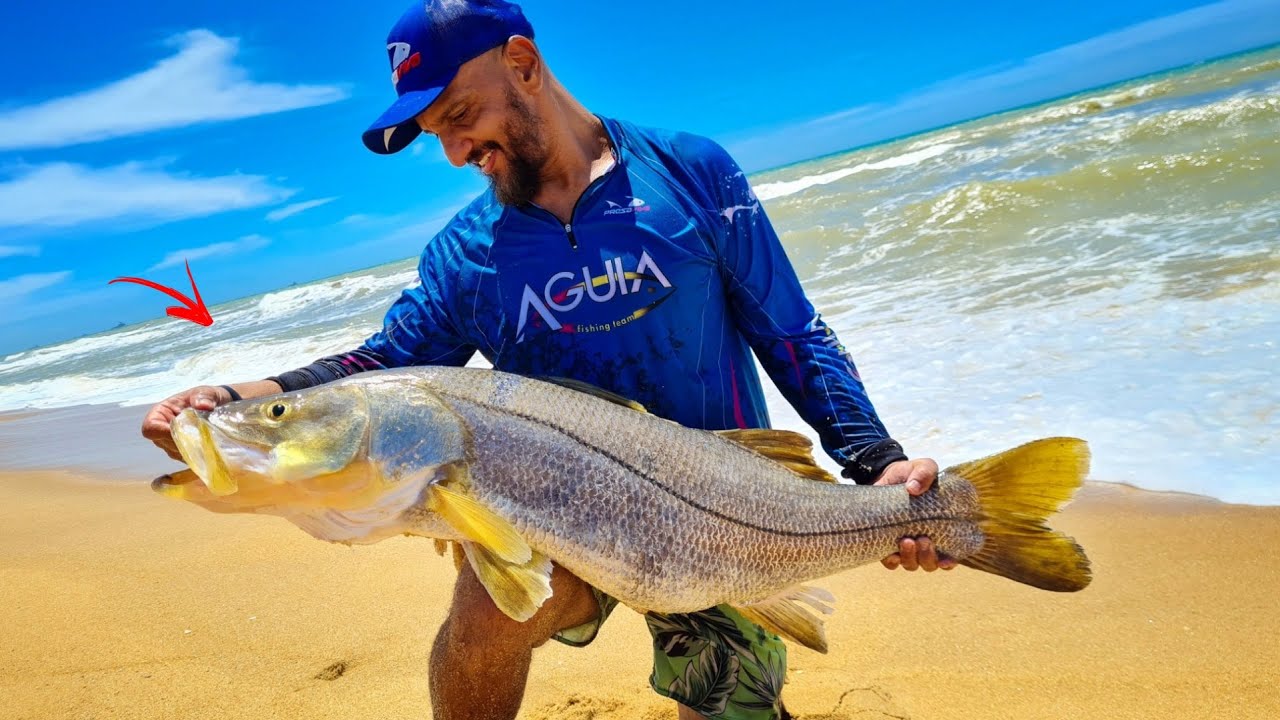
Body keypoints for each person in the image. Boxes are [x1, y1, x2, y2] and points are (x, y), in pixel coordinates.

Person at [142, 2, 954, 718]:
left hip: (723, 513)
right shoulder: (466, 253)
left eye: (460, 115)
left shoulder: (691, 174)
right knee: (484, 618)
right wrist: (239, 397)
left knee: (733, 704)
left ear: (523, 64)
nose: (457, 152)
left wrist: (874, 460)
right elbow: (386, 362)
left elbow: (792, 333)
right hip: (551, 514)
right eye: (437, 136)